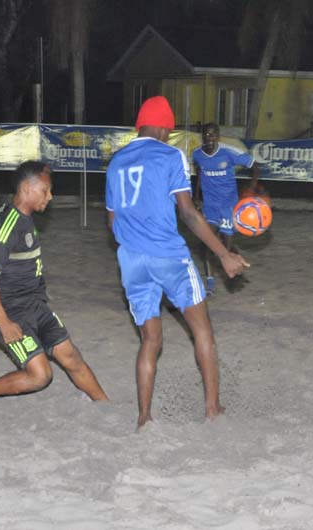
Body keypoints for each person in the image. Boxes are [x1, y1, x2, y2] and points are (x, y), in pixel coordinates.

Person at [105, 96, 249, 428]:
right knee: (203, 330)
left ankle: (144, 418)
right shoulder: (171, 155)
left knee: (150, 341)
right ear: (164, 128)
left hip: (131, 260)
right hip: (168, 255)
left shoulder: (116, 162)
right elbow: (187, 212)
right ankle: (212, 409)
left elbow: (113, 223)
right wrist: (223, 254)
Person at [0, 161, 108, 405]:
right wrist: (5, 322)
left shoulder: (18, 216)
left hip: (36, 305)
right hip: (9, 310)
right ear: (27, 188)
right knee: (40, 376)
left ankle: (104, 404)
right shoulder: (11, 222)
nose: (50, 197)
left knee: (70, 356)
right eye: (45, 190)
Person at [192, 122, 260, 294]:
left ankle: (233, 275)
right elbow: (199, 174)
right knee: (208, 242)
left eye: (213, 134)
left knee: (226, 247)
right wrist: (196, 197)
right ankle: (210, 284)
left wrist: (251, 189)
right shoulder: (197, 155)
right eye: (207, 135)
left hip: (228, 205)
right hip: (210, 206)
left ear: (218, 136)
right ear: (203, 136)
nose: (210, 138)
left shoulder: (228, 153)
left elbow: (255, 166)